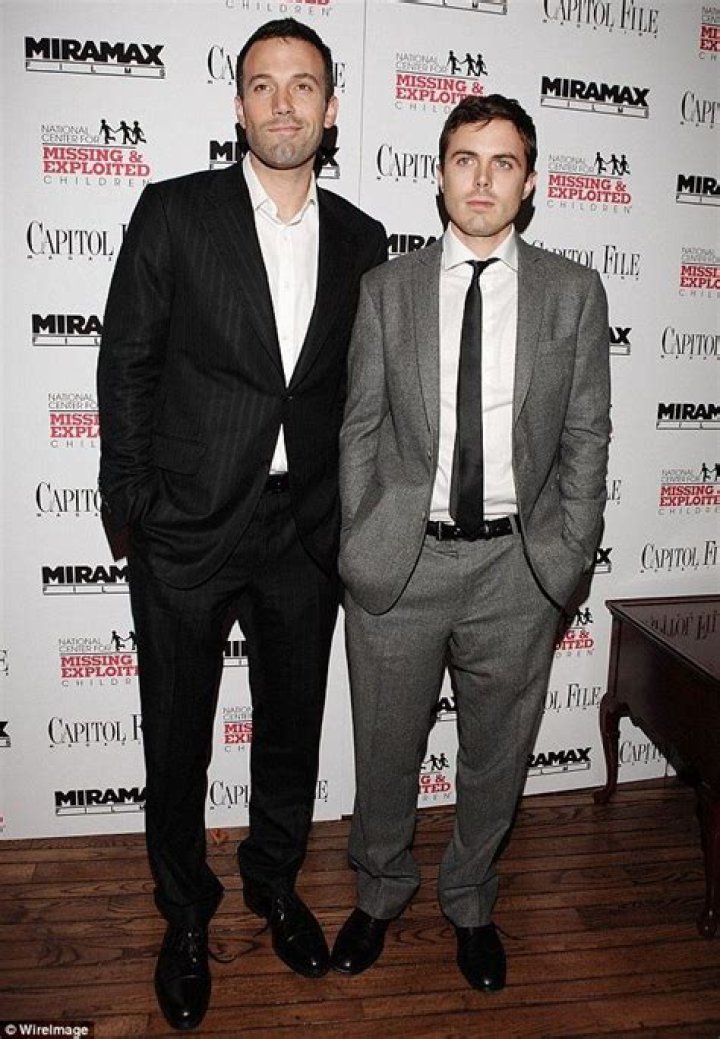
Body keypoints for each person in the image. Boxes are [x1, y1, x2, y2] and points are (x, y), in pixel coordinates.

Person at [97, 18, 386, 1031]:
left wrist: (348, 517)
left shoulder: (362, 238)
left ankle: (273, 881)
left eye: (303, 85)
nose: (282, 103)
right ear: (237, 105)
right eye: (263, 84)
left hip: (304, 531)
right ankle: (185, 913)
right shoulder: (175, 212)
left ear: (331, 108)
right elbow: (127, 362)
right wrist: (134, 509)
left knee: (292, 731)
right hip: (186, 525)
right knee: (176, 738)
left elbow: (356, 392)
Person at [332, 95, 610, 991]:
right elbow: (359, 428)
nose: (482, 179)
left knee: (497, 753)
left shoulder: (573, 291)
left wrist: (566, 552)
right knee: (384, 748)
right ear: (440, 174)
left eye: (503, 162)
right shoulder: (388, 288)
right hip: (402, 561)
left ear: (529, 182)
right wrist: (362, 538)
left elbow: (587, 434)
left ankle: (472, 900)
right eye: (465, 159)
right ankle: (379, 889)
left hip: (516, 568)